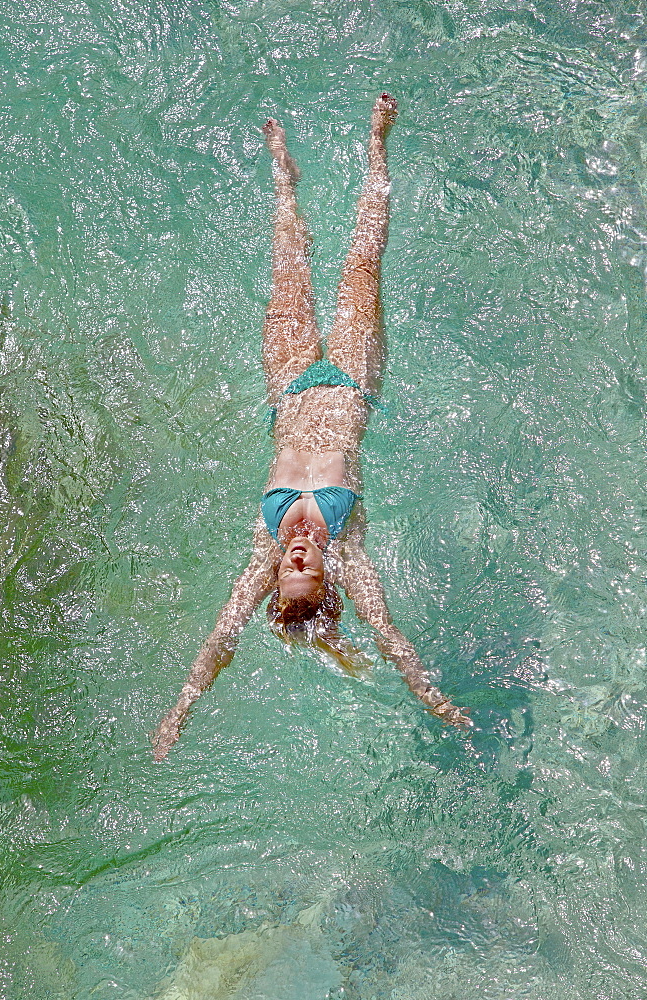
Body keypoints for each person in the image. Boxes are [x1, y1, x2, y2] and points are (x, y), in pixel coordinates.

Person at [152, 94, 470, 761]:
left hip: (287, 385)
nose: (296, 556)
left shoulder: (263, 556)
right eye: (307, 570)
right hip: (352, 381)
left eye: (290, 569)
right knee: (361, 267)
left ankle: (283, 176)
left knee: (287, 266)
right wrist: (432, 699)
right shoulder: (349, 553)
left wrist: (179, 710)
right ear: (328, 579)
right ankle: (378, 144)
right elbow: (388, 634)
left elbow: (221, 637)